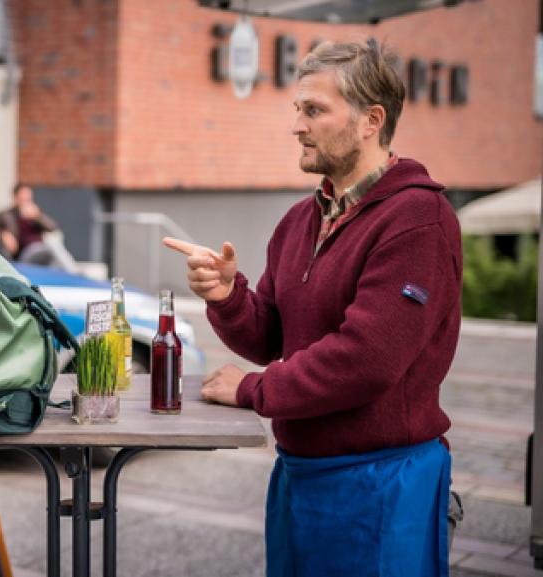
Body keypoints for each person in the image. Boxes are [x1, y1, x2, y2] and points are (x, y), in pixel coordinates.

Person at [164, 39, 463, 576]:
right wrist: (228, 297)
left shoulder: (419, 218)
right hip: (300, 474)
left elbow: (366, 359)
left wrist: (254, 389)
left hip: (381, 481)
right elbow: (271, 335)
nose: (296, 126)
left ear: (371, 119)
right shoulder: (302, 219)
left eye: (314, 110)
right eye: (297, 109)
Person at [0, 183, 60, 265]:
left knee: (54, 250)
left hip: (41, 247)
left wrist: (37, 217)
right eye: (23, 195)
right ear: (15, 197)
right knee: (52, 250)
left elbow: (53, 227)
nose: (26, 198)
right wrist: (3, 234)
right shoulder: (6, 214)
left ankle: (71, 274)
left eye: (28, 196)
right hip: (24, 252)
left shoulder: (35, 214)